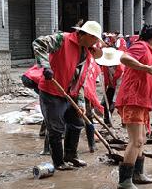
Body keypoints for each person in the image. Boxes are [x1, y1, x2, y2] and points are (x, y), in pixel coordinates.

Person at [33, 21, 103, 171]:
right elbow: (38, 43)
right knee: (56, 129)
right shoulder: (62, 39)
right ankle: (59, 163)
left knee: (77, 122)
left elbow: (81, 80)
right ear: (87, 35)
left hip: (70, 94)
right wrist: (45, 66)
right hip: (52, 91)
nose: (96, 43)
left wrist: (81, 103)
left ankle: (71, 155)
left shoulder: (86, 52)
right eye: (95, 39)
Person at [114, 24, 152, 189]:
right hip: (133, 99)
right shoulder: (141, 46)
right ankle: (125, 181)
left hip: (142, 101)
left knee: (141, 140)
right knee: (136, 140)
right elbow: (124, 58)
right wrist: (146, 68)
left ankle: (137, 173)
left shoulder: (149, 53)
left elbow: (148, 81)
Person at [96, 44, 125, 126]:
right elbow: (105, 78)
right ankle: (107, 121)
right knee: (105, 103)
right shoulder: (105, 66)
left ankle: (125, 121)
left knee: (119, 105)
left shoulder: (121, 69)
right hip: (112, 85)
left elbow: (119, 88)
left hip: (122, 87)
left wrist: (114, 102)